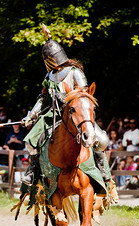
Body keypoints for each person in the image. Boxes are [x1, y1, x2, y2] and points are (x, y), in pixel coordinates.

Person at [20, 24, 118, 201]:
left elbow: (84, 95)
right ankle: (34, 172)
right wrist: (31, 115)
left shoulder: (74, 72)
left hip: (77, 113)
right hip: (52, 115)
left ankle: (104, 175)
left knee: (101, 140)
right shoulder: (48, 77)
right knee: (30, 142)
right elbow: (43, 98)